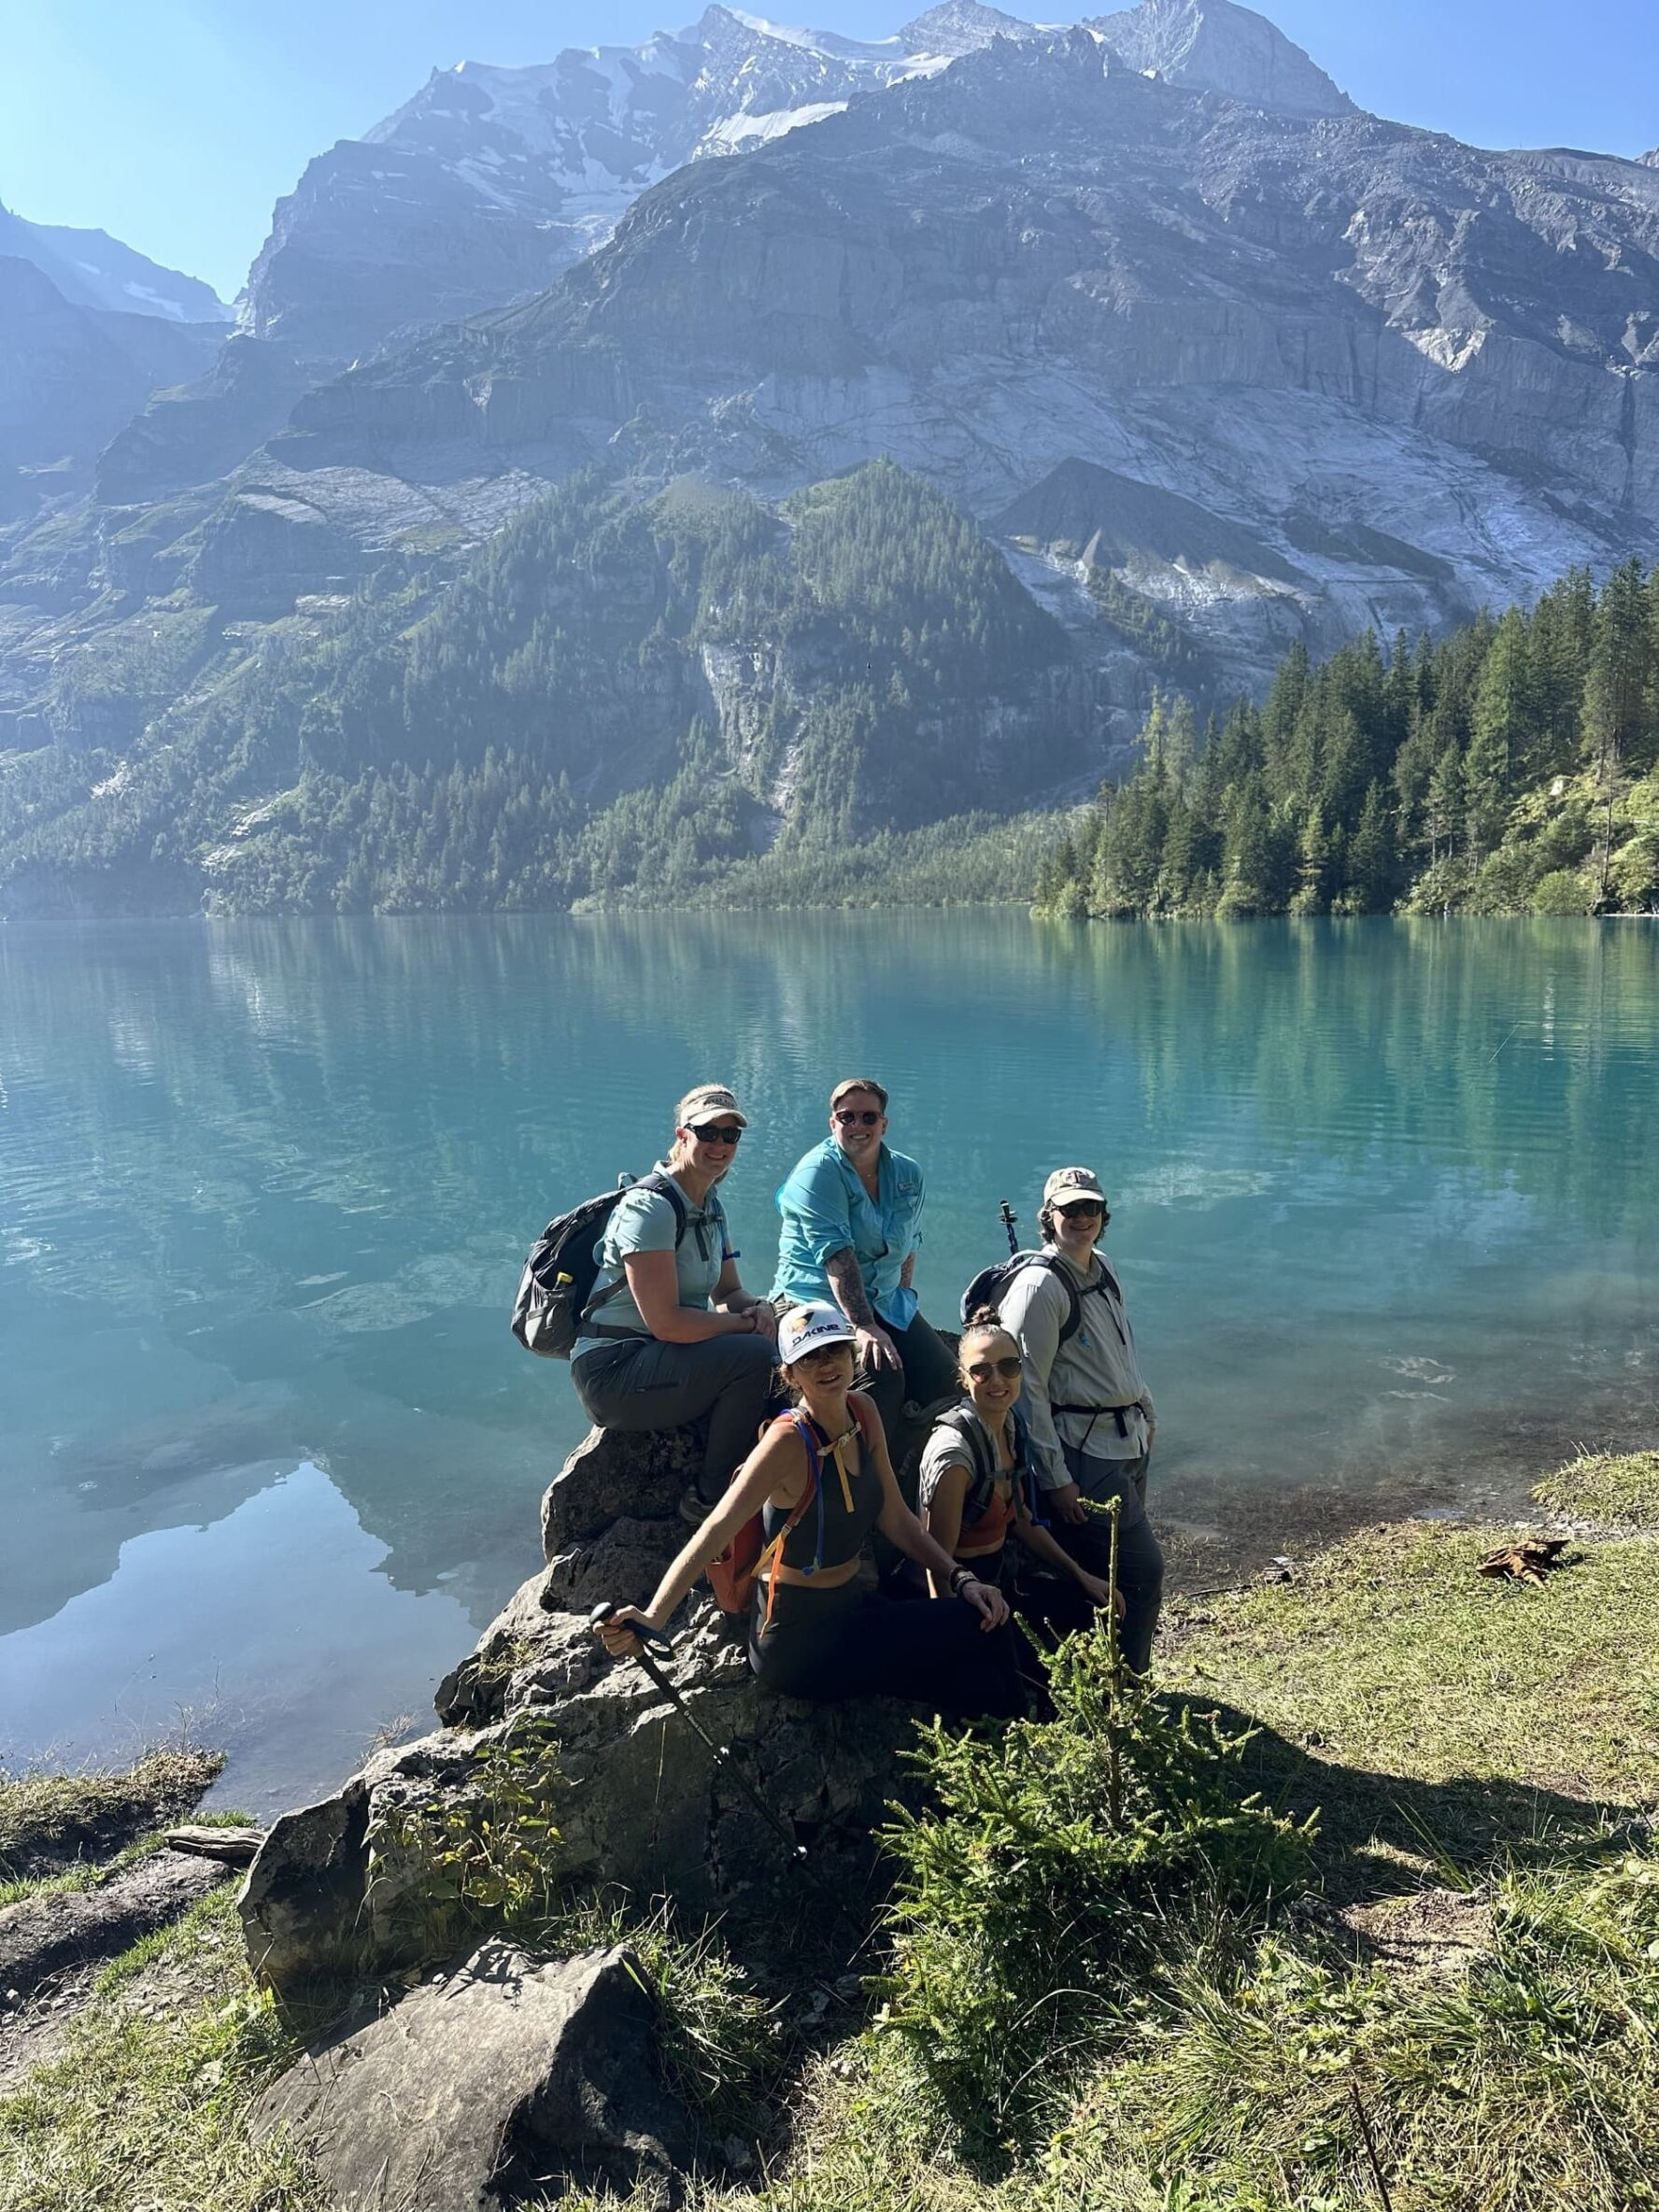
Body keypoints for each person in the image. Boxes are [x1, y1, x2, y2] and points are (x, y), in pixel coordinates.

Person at [593, 1303, 1028, 1719]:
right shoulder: (787, 1443)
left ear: (853, 1354)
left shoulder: (864, 1411)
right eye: (809, 1358)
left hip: (852, 1605)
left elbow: (896, 1517)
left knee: (990, 1621)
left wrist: (961, 1577)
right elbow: (715, 1529)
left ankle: (1019, 1735)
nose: (826, 1364)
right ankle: (1029, 1741)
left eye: (835, 1349)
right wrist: (653, 1617)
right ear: (790, 1374)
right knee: (976, 1651)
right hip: (798, 1641)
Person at [572, 1085, 779, 1519]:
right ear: (682, 1135)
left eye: (731, 1135)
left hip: (660, 1356)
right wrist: (744, 1327)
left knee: (785, 1335)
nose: (719, 1145)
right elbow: (667, 1323)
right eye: (708, 1132)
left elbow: (727, 1293)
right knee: (754, 1356)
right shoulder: (651, 1209)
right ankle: (711, 1497)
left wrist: (760, 1309)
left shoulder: (710, 1206)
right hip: (615, 1370)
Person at [995, 1168, 1164, 1675]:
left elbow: (1121, 1350)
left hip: (1128, 1438)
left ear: (1103, 1215)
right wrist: (1057, 1478)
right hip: (1084, 1454)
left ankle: (1100, 1680)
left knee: (1102, 1570)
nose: (1082, 1218)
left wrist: (1147, 1410)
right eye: (1070, 1209)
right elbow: (1029, 1391)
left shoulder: (1103, 1267)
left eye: (1091, 1208)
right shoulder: (1039, 1287)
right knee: (1140, 1571)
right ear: (1049, 1216)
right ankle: (1128, 1690)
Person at [917, 1309, 1122, 1651]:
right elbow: (937, 1559)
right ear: (963, 1379)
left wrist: (1079, 1575)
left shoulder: (1012, 1427)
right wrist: (950, 1634)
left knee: (1093, 1613)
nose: (997, 1380)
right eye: (982, 1371)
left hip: (1004, 1580)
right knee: (1013, 1688)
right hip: (968, 1594)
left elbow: (1021, 1519)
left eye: (1009, 1367)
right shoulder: (955, 1454)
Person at [770, 1077, 957, 1448]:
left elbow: (909, 1247)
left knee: (947, 1380)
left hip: (883, 1300)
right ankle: (860, 1477)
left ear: (883, 1125)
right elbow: (837, 1256)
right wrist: (864, 1325)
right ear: (832, 1123)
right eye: (847, 1117)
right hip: (813, 1300)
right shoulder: (818, 1173)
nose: (858, 1127)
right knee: (880, 1377)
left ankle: (907, 1464)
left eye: (868, 1118)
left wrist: (901, 1308)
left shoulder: (908, 1174)